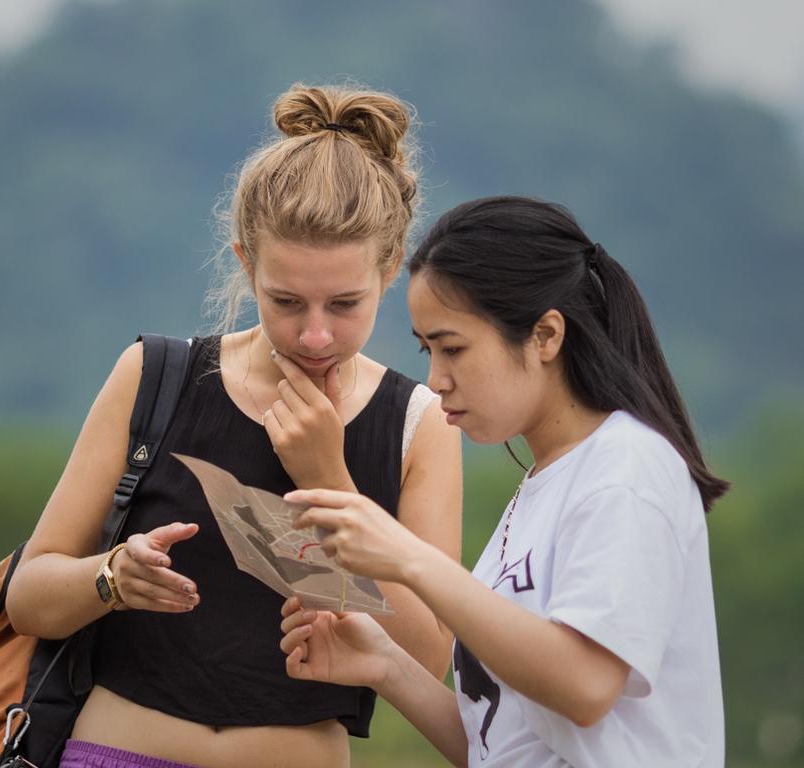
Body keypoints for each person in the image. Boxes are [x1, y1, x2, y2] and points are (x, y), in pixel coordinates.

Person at [5, 83, 463, 768]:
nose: (314, 335)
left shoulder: (417, 424)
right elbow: (29, 599)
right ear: (246, 262)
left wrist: (328, 480)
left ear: (391, 269)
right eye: (285, 300)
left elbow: (428, 660)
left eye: (343, 304)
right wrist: (110, 578)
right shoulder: (155, 376)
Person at [280, 196, 728, 767]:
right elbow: (502, 748)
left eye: (453, 348)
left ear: (545, 336)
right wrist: (386, 664)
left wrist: (408, 558)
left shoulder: (626, 469)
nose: (436, 379)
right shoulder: (541, 485)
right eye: (427, 350)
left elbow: (586, 686)